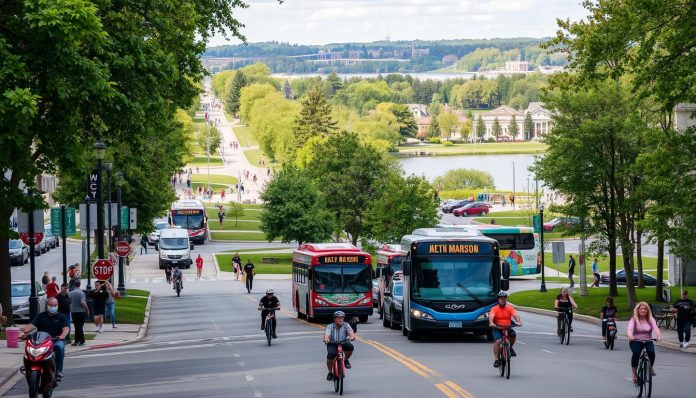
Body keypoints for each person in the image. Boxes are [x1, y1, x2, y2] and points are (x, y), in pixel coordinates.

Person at [20, 297, 69, 378]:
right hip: (41, 341)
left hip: (55, 340)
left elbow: (66, 328)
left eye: (55, 305)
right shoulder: (40, 316)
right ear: (47, 306)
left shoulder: (62, 317)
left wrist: (62, 336)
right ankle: (27, 366)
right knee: (28, 347)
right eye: (51, 305)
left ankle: (59, 370)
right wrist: (23, 332)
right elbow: (31, 326)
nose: (53, 307)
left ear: (57, 306)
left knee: (60, 347)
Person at [627, 302, 662, 383]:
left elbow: (656, 328)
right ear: (638, 310)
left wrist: (659, 336)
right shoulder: (634, 319)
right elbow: (629, 330)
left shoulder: (651, 319)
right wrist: (631, 336)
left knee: (651, 352)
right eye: (641, 309)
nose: (643, 310)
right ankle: (634, 375)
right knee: (636, 352)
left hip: (648, 340)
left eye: (645, 309)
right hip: (635, 340)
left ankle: (650, 367)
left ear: (648, 310)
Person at [489, 291, 522, 368]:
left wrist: (518, 321)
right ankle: (496, 359)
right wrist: (491, 323)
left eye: (504, 298)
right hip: (497, 327)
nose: (502, 300)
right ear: (498, 299)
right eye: (501, 298)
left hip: (507, 326)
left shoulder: (509, 308)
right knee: (498, 341)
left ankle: (510, 348)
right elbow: (491, 316)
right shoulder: (494, 308)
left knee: (513, 334)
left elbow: (515, 315)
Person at [323, 311, 356, 381]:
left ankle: (346, 360)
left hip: (343, 342)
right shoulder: (330, 326)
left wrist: (352, 337)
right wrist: (326, 339)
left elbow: (351, 332)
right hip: (332, 343)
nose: (340, 320)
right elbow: (327, 335)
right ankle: (330, 372)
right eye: (338, 318)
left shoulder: (346, 325)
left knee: (351, 347)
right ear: (334, 319)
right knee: (331, 355)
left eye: (341, 318)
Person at [69, 280, 89, 346]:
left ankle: (76, 341)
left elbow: (69, 302)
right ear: (79, 285)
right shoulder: (81, 293)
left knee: (76, 326)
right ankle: (82, 341)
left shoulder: (71, 293)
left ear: (74, 285)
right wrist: (87, 309)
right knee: (80, 326)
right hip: (81, 311)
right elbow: (82, 302)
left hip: (73, 311)